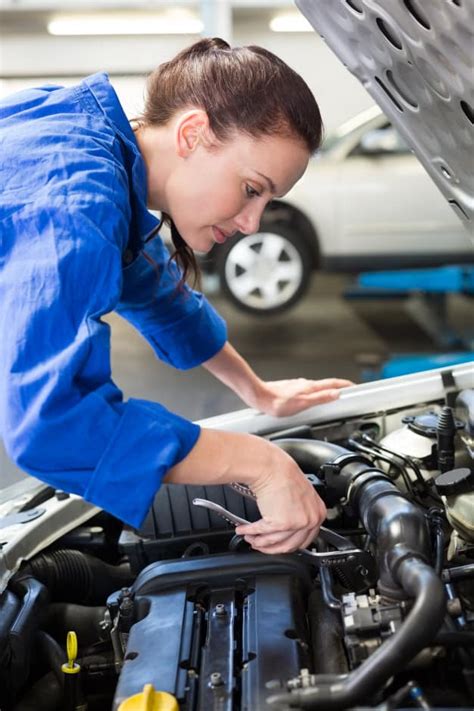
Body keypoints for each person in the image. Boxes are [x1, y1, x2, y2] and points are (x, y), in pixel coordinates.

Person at [0, 38, 352, 555]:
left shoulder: (97, 142)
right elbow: (55, 422)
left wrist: (259, 392)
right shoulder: (76, 198)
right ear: (192, 133)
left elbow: (156, 291)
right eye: (253, 188)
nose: (254, 223)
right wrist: (260, 463)